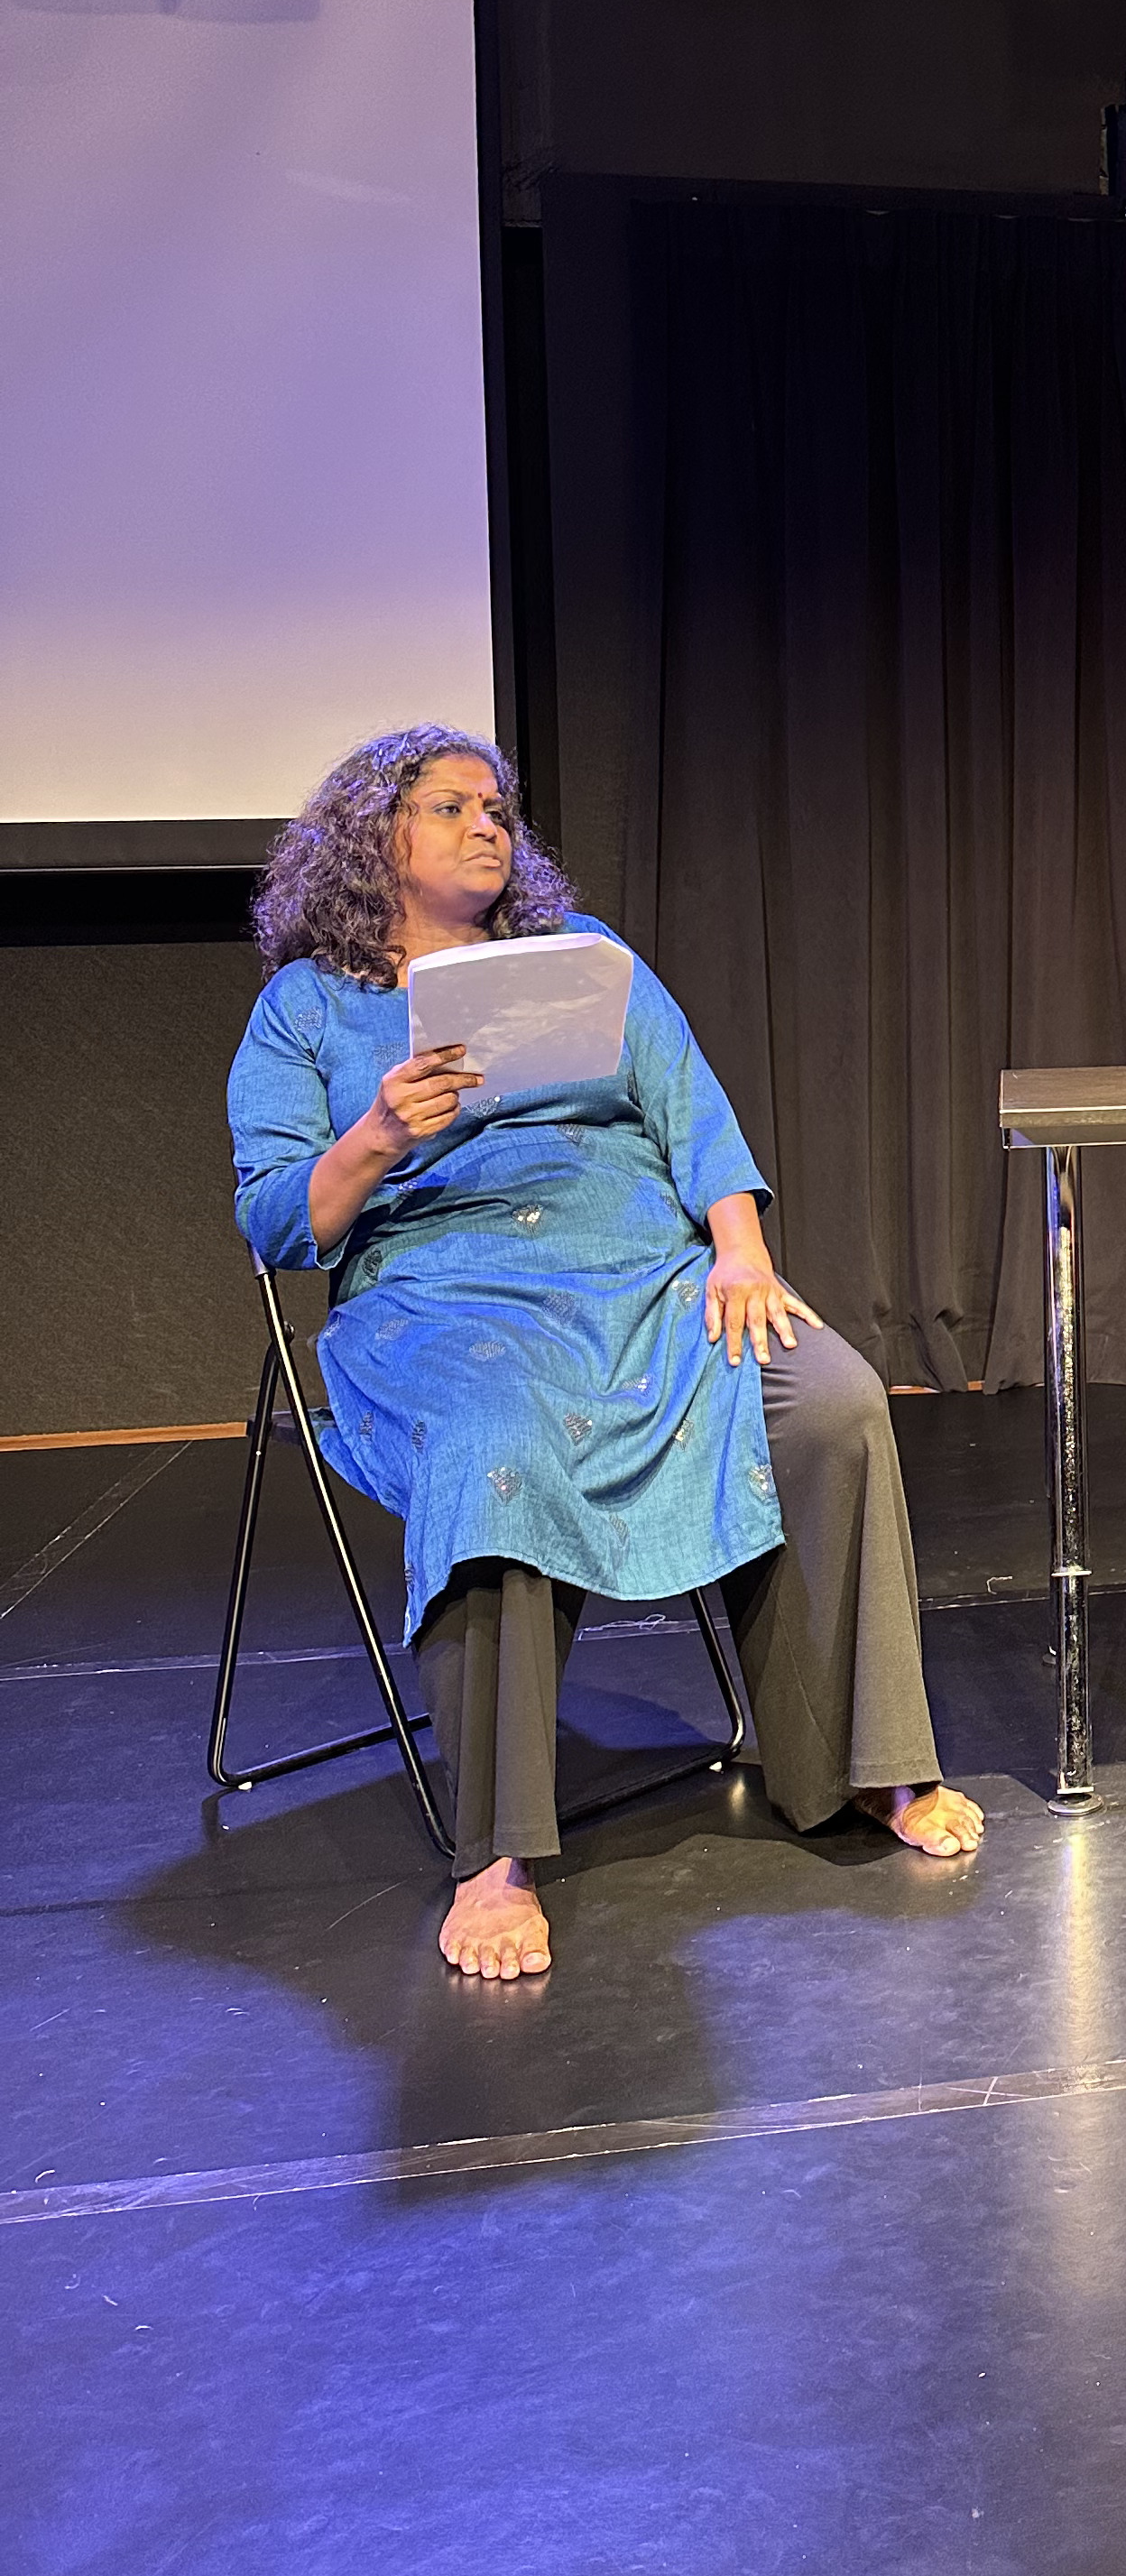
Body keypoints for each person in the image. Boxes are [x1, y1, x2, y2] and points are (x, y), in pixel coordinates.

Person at [228, 726, 981, 1983]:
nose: (491, 828)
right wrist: (373, 1134)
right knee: (497, 1447)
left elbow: (693, 1111)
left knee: (831, 1401)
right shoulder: (306, 1007)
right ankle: (497, 1856)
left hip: (641, 1273)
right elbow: (277, 1224)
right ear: (376, 839)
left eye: (501, 812)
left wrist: (739, 1250)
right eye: (457, 808)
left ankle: (866, 1768)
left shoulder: (588, 964)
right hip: (441, 1299)